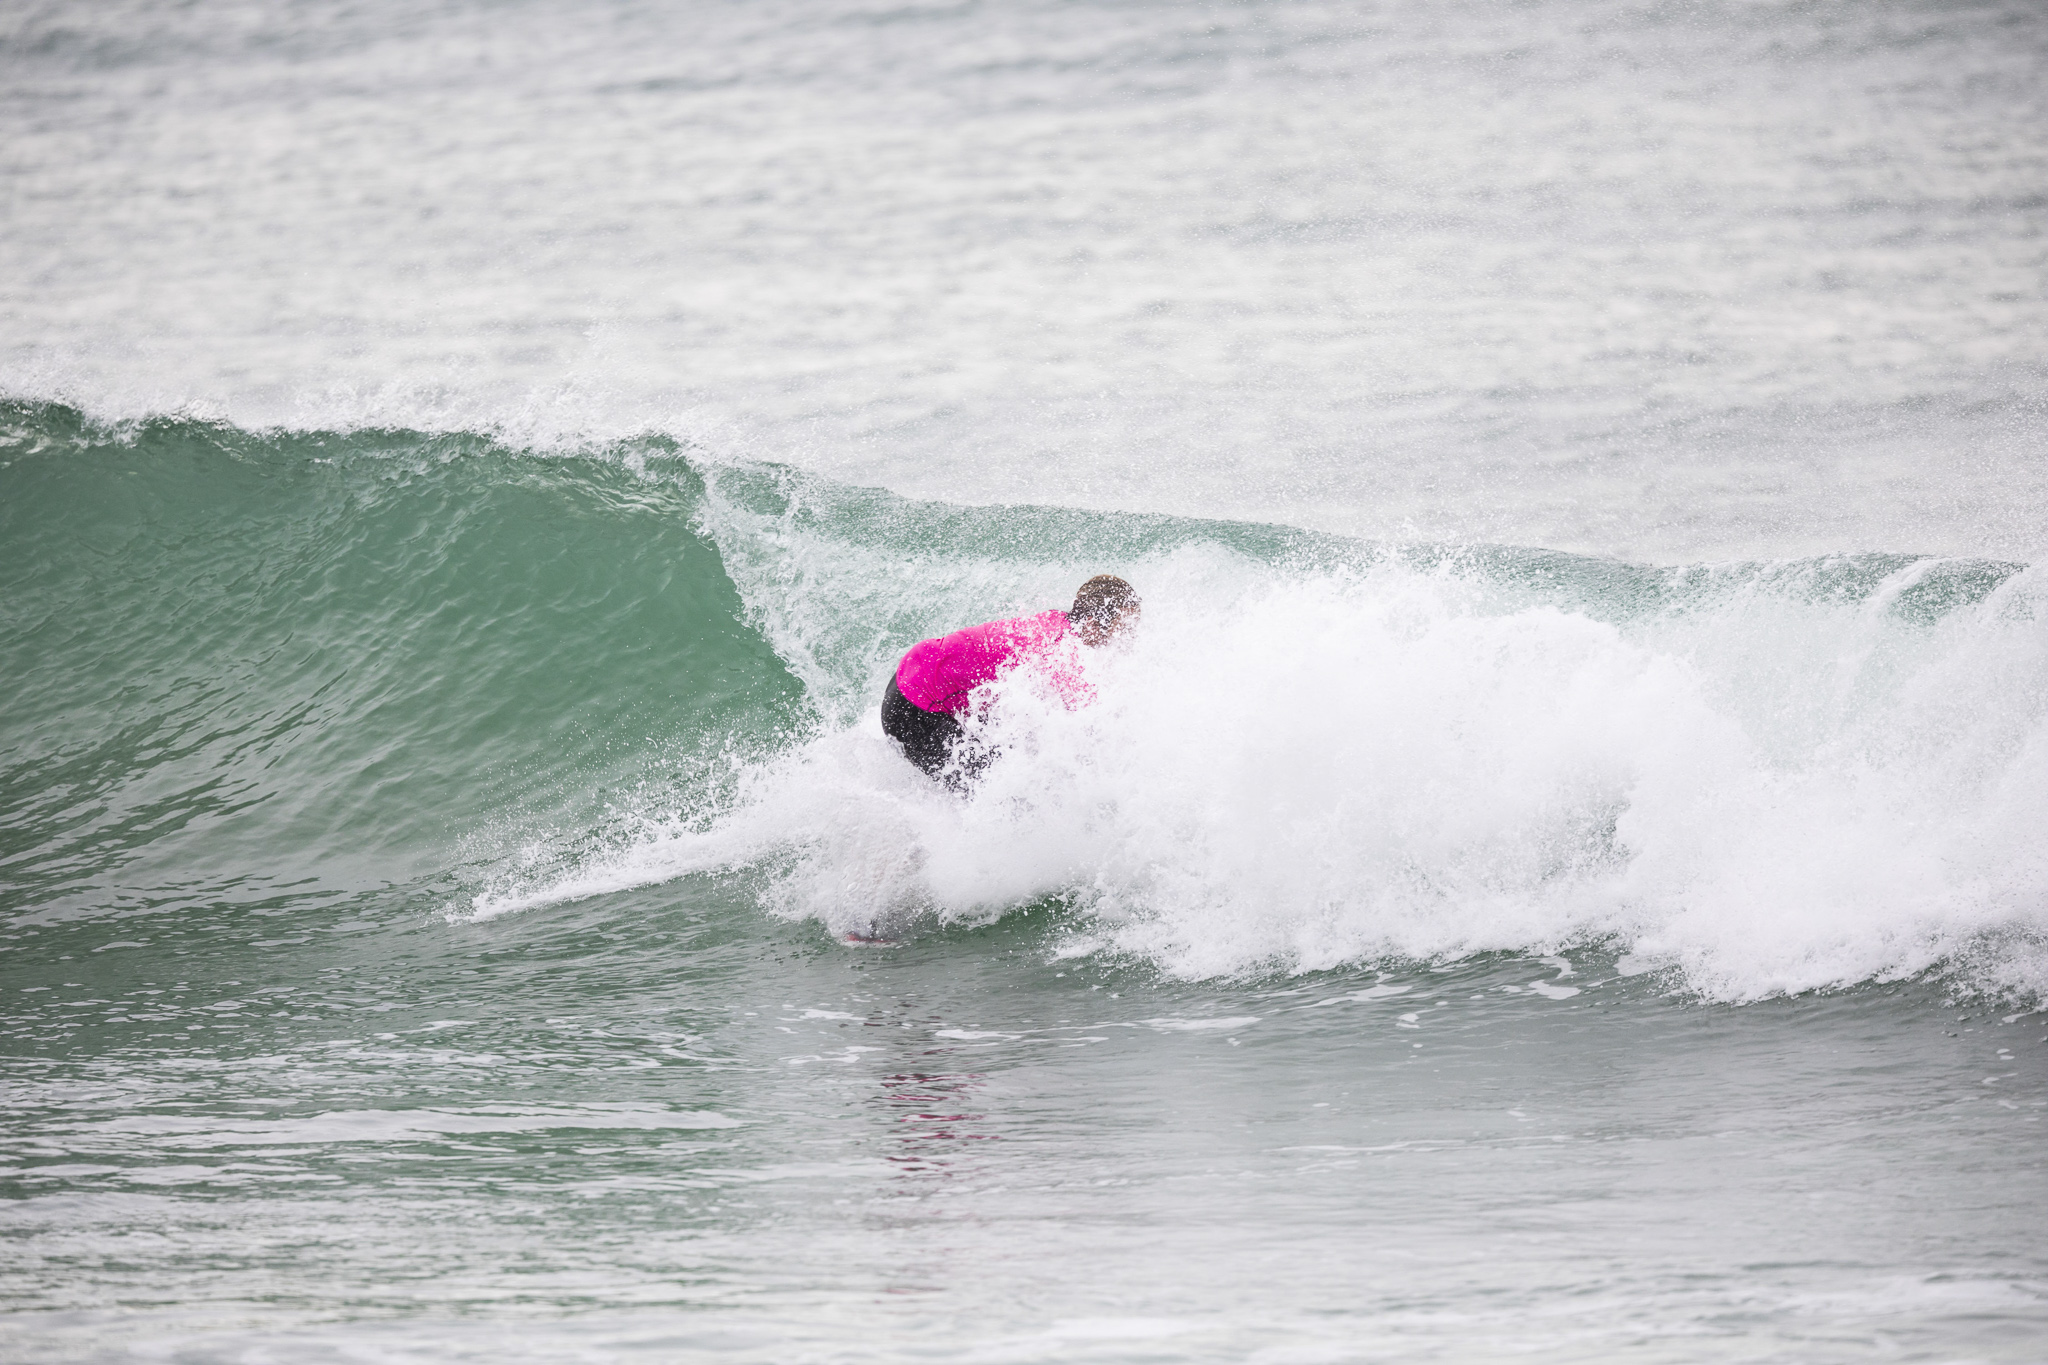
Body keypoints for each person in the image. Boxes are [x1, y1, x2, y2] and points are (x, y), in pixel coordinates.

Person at [882, 575, 1141, 784]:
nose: (1130, 636)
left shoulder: (1055, 623)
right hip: (914, 707)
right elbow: (1085, 721)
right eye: (1126, 626)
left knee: (1013, 763)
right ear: (1094, 625)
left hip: (915, 674)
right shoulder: (1058, 648)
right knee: (998, 792)